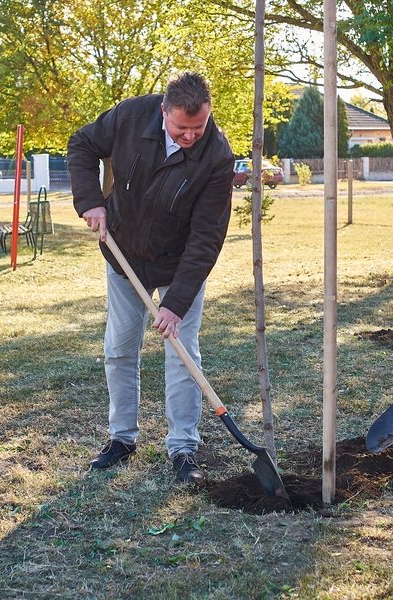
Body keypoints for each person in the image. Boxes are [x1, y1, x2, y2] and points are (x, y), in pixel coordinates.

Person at [68, 72, 234, 486]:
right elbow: (82, 144)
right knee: (120, 348)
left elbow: (207, 237)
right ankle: (121, 439)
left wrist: (175, 304)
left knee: (182, 352)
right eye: (182, 128)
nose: (191, 136)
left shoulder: (217, 155)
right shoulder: (131, 116)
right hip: (124, 255)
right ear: (164, 112)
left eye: (199, 127)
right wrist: (91, 202)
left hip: (179, 265)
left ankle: (183, 447)